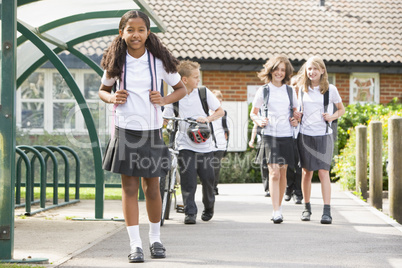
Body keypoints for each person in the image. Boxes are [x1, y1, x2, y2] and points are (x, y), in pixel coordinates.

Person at [98, 10, 186, 263]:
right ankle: (135, 244)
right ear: (122, 33)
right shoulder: (116, 61)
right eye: (130, 30)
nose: (135, 35)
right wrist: (112, 97)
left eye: (141, 30)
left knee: (153, 188)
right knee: (129, 188)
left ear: (148, 33)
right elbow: (102, 91)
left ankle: (155, 239)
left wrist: (164, 99)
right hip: (125, 130)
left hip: (152, 131)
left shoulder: (158, 62)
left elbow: (180, 88)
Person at [163, 60, 224, 224]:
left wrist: (207, 119)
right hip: (184, 144)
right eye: (196, 77)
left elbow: (220, 111)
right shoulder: (176, 96)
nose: (198, 80)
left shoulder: (204, 93)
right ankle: (190, 213)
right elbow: (165, 116)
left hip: (205, 145)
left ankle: (209, 207)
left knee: (208, 180)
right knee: (188, 180)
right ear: (184, 79)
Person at [294, 56, 345, 224]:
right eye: (309, 69)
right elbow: (296, 111)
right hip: (305, 134)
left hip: (324, 135)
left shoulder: (331, 89)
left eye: (315, 68)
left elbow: (341, 110)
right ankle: (306, 208)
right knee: (306, 172)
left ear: (322, 70)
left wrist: (331, 116)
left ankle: (327, 211)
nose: (312, 72)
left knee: (323, 172)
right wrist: (296, 115)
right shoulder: (301, 89)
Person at [250, 55, 299, 224]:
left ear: (286, 73)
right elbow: (253, 113)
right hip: (270, 135)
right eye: (277, 69)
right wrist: (259, 121)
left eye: (283, 70)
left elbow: (296, 112)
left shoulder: (290, 91)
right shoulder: (263, 90)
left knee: (283, 172)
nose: (279, 72)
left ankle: (279, 207)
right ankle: (275, 210)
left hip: (286, 135)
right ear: (271, 70)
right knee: (274, 172)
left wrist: (295, 119)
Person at [284, 75, 303, 204]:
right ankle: (289, 187)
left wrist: (299, 120)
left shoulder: (305, 100)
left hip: (302, 136)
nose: (295, 86)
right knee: (289, 165)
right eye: (293, 84)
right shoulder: (287, 99)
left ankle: (298, 192)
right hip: (288, 135)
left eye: (298, 84)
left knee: (300, 166)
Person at [211, 90, 229, 195]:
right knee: (208, 167)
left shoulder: (223, 113)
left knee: (216, 166)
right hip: (208, 144)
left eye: (220, 101)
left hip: (220, 144)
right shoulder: (206, 113)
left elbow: (227, 129)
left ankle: (214, 186)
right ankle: (209, 186)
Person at [249, 117, 270, 197]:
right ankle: (268, 189)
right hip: (261, 142)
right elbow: (255, 127)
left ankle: (275, 187)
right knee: (264, 166)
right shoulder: (258, 113)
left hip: (273, 141)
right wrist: (252, 140)